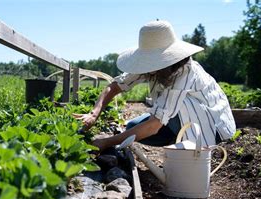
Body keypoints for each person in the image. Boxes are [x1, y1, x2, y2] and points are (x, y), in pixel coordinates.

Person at [73, 20, 236, 151]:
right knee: (132, 128)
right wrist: (94, 114)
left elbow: (153, 125)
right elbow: (116, 85)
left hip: (213, 126)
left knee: (174, 108)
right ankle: (178, 141)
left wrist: (106, 142)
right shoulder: (152, 66)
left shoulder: (186, 71)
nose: (150, 67)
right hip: (180, 120)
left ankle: (190, 144)